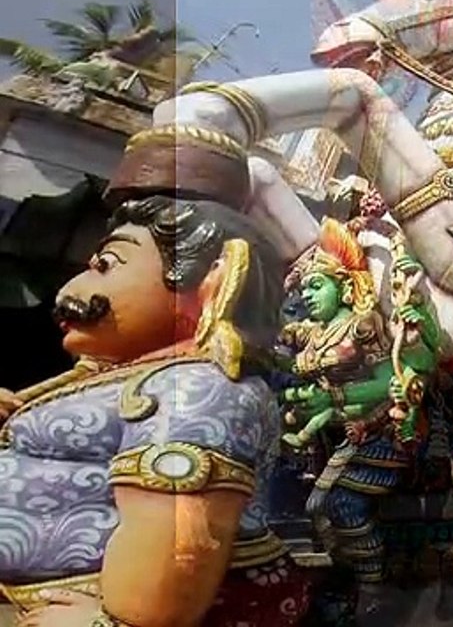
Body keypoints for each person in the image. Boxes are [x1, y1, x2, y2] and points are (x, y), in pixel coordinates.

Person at [0, 124, 308, 626]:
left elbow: (180, 541)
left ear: (210, 283)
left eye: (106, 265)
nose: (72, 288)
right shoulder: (133, 374)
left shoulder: (199, 391)